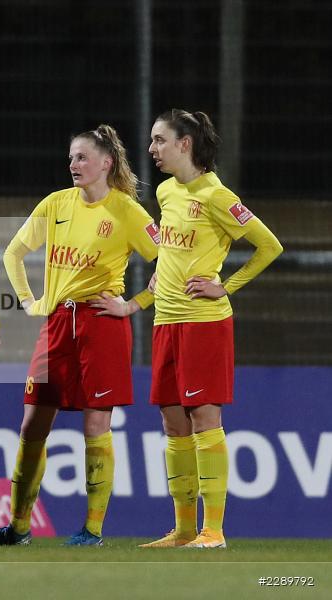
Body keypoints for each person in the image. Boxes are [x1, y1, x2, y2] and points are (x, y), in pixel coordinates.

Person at [0, 124, 159, 547]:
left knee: (96, 425)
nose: (73, 164)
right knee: (33, 423)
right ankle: (18, 526)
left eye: (82, 157)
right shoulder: (56, 204)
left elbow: (170, 262)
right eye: (71, 157)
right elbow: (14, 252)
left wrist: (134, 304)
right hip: (57, 324)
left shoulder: (127, 212)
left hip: (102, 324)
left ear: (106, 163)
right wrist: (28, 300)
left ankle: (92, 530)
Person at [134, 109, 282, 549]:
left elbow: (269, 246)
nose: (152, 149)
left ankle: (213, 531)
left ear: (185, 144)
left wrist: (225, 286)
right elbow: (174, 245)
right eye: (152, 140)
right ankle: (183, 530)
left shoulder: (218, 196)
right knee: (173, 421)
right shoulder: (165, 192)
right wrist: (162, 272)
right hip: (166, 320)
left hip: (203, 323)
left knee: (204, 417)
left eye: (160, 140)